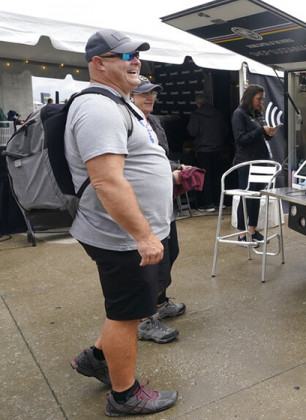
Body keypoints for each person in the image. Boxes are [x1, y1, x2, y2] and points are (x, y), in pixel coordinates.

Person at [65, 29, 177, 415]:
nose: (135, 61)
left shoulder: (121, 102)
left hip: (125, 233)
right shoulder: (98, 107)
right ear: (99, 63)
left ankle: (95, 359)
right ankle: (124, 396)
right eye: (125, 55)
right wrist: (144, 236)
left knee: (125, 307)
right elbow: (107, 180)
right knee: (127, 316)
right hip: (121, 237)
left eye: (137, 55)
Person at [131, 75, 187, 344]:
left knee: (170, 251)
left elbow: (159, 158)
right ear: (130, 95)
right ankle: (144, 320)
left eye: (153, 93)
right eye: (143, 93)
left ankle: (160, 302)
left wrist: (177, 169)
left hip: (163, 202)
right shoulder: (126, 122)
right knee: (147, 264)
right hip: (142, 205)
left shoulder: (154, 122)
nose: (150, 97)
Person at [231, 84, 278, 243]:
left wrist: (269, 133)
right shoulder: (239, 114)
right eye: (259, 99)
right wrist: (261, 131)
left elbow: (261, 136)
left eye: (262, 99)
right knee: (246, 195)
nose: (261, 102)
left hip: (260, 160)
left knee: (257, 196)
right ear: (250, 97)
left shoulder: (257, 113)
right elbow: (240, 139)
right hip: (246, 161)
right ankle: (242, 234)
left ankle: (253, 230)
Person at [187, 93, 230, 212]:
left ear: (197, 103)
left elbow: (192, 132)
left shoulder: (196, 114)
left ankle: (207, 204)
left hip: (203, 150)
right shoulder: (218, 113)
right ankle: (219, 202)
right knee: (218, 176)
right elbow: (225, 131)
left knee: (204, 177)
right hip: (218, 150)